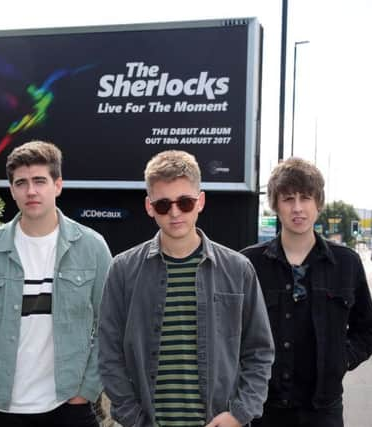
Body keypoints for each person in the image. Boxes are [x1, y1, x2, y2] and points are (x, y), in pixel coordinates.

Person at [99, 150, 274, 427]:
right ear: (148, 206)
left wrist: (240, 413)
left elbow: (260, 351)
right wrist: (132, 417)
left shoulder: (237, 269)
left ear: (200, 201)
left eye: (185, 202)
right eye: (163, 205)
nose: (175, 212)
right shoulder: (123, 270)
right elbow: (108, 353)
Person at [0, 141, 112, 427]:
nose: (31, 191)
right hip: (1, 407)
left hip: (69, 405)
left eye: (39, 181)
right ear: (11, 190)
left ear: (57, 185)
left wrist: (87, 391)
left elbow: (112, 326)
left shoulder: (91, 247)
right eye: (21, 183)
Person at [241, 157, 372, 427]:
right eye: (287, 199)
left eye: (305, 198)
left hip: (323, 411)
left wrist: (341, 360)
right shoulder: (248, 263)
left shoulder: (346, 263)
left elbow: (367, 330)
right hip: (261, 408)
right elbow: (230, 332)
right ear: (275, 206)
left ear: (318, 204)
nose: (297, 208)